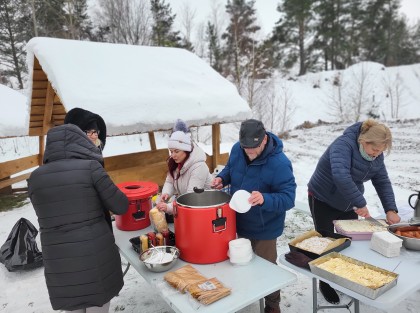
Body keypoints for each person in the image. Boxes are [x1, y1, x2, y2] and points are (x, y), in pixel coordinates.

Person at [28, 123, 129, 313]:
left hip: (59, 261)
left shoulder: (35, 177)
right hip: (94, 255)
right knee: (97, 306)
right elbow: (120, 205)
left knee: (73, 305)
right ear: (79, 142)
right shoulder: (91, 168)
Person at [307, 118, 401, 304]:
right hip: (322, 197)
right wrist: (360, 202)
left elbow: (382, 181)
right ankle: (325, 283)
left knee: (349, 242)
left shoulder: (376, 156)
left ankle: (344, 278)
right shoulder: (343, 145)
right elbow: (340, 175)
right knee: (326, 243)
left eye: (380, 152)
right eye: (374, 150)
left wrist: (390, 208)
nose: (376, 155)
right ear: (363, 142)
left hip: (348, 200)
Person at [211, 119, 296, 313]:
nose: (249, 152)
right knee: (240, 263)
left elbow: (289, 198)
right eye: (245, 147)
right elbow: (231, 170)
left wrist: (265, 199)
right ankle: (246, 295)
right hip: (238, 221)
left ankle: (272, 305)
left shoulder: (280, 163)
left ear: (265, 139)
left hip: (265, 228)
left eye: (254, 147)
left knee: (267, 268)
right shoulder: (237, 149)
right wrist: (222, 178)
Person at [156, 119, 212, 214]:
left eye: (176, 151)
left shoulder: (199, 167)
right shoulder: (176, 163)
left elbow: (191, 197)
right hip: (187, 207)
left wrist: (169, 207)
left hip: (205, 208)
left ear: (186, 150)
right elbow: (170, 181)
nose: (173, 155)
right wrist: (166, 193)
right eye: (171, 151)